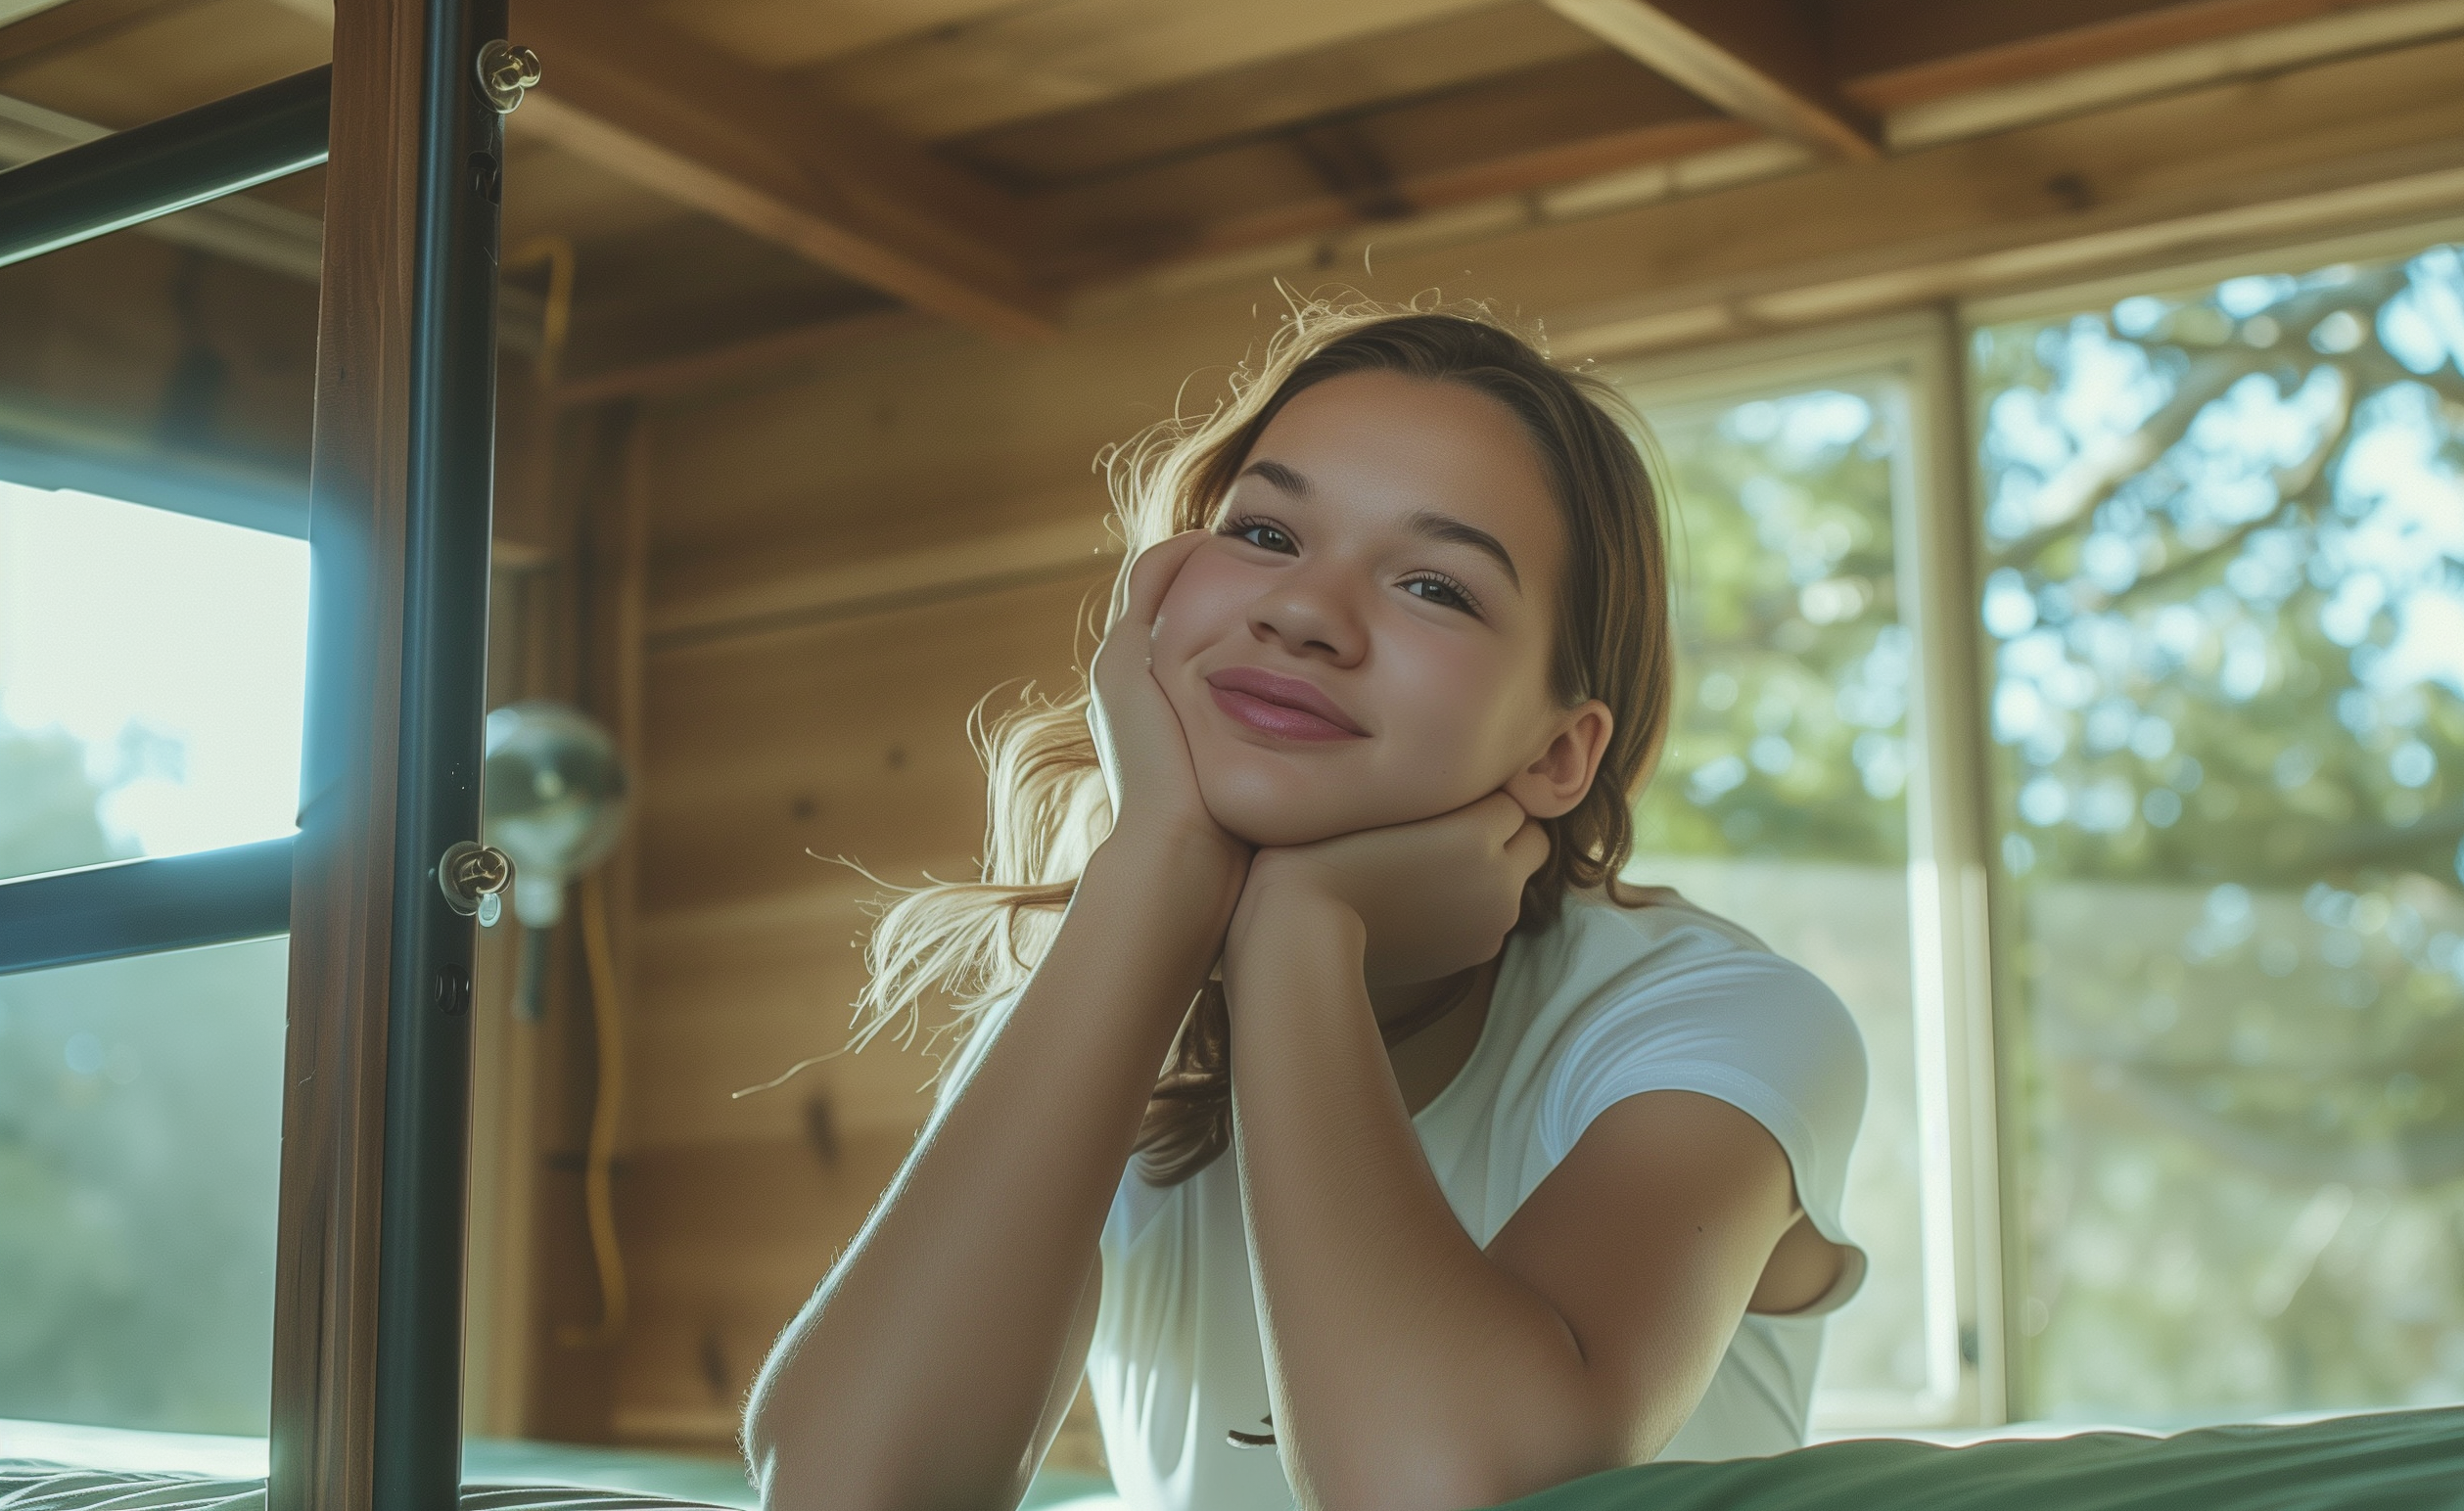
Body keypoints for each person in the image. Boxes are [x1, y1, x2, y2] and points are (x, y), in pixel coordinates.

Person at [742, 302, 1868, 1511]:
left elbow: (1441, 1487)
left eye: (1434, 584)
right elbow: (843, 1493)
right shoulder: (1112, 987)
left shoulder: (1721, 1023)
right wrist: (1152, 867)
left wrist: (1299, 933)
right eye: (1266, 531)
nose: (1301, 613)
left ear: (1559, 753)